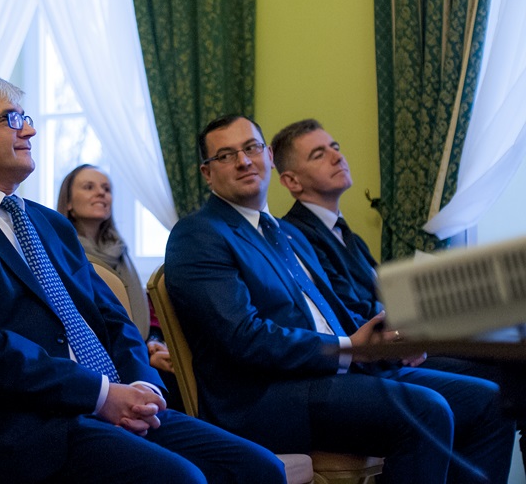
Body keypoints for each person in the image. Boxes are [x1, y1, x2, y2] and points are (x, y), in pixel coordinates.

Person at [0, 74, 287, 483]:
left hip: (110, 403)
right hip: (27, 429)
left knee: (260, 469)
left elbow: (112, 318)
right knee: (180, 478)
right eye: (11, 119)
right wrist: (100, 395)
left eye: (26, 118)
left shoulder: (49, 223)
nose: (29, 130)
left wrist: (143, 386)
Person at [165, 114, 514, 483]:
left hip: (332, 373)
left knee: (491, 401)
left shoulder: (286, 233)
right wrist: (348, 348)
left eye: (251, 148)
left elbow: (334, 313)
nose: (243, 161)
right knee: (426, 409)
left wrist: (386, 342)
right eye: (225, 155)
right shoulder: (199, 234)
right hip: (266, 396)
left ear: (268, 156)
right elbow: (243, 337)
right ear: (207, 173)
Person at [272, 117, 526, 467]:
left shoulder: (347, 235)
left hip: (403, 338)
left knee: (515, 355)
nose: (337, 156)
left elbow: (383, 299)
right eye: (319, 154)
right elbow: (347, 312)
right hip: (379, 354)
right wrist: (404, 332)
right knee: (507, 389)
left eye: (335, 147)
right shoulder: (295, 236)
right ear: (292, 181)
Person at [56, 164, 180, 411]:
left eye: (106, 188)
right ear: (68, 202)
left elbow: (142, 313)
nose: (101, 193)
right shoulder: (61, 251)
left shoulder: (119, 249)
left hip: (138, 351)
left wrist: (152, 343)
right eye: (89, 187)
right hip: (97, 362)